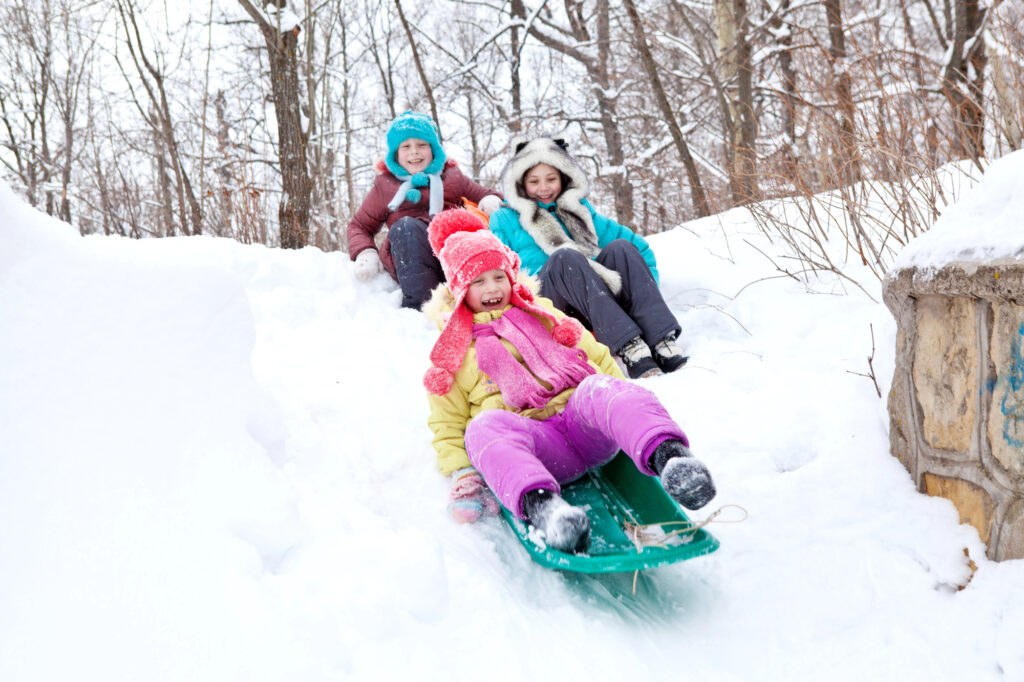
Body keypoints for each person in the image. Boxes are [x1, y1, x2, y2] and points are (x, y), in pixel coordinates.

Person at [423, 208, 716, 553]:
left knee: (599, 385)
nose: (492, 288)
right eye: (478, 281)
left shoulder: (544, 314)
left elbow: (598, 358)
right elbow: (448, 423)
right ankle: (546, 510)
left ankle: (672, 459)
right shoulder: (452, 352)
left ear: (511, 275)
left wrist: (620, 412)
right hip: (536, 448)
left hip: (587, 430)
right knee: (482, 427)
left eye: (499, 277)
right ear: (459, 289)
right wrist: (462, 473)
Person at [488, 137, 687, 379]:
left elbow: (638, 248)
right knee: (565, 257)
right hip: (550, 306)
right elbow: (496, 271)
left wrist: (644, 289)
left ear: (564, 176)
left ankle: (661, 340)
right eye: (534, 181)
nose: (544, 188)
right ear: (520, 183)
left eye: (551, 179)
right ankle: (628, 345)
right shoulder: (503, 220)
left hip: (596, 302)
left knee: (620, 248)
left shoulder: (578, 209)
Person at [347, 111, 503, 309]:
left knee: (467, 231)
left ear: (433, 149)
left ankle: (477, 299)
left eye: (422, 145)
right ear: (395, 154)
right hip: (411, 253)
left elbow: (487, 194)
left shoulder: (452, 177)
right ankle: (422, 307)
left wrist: (490, 201)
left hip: (452, 251)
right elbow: (359, 225)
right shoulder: (386, 185)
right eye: (406, 146)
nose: (414, 152)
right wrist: (366, 252)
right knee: (406, 228)